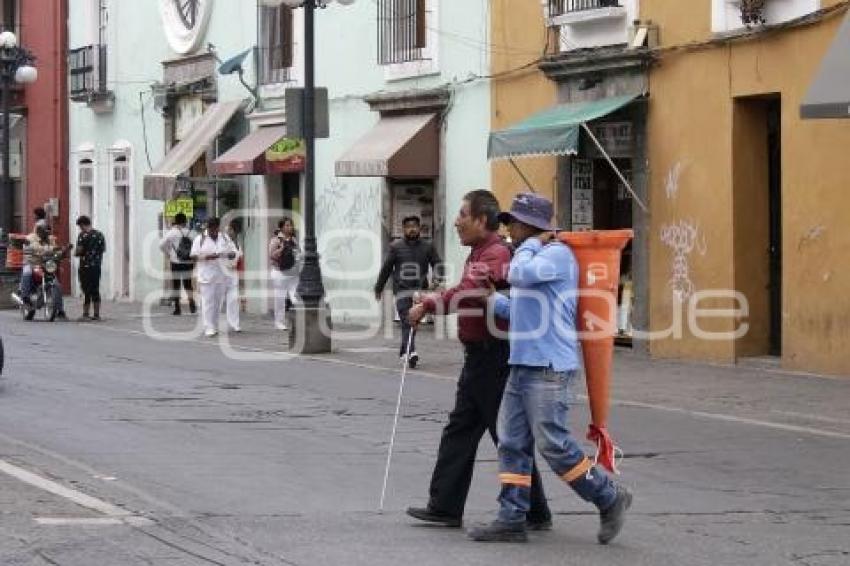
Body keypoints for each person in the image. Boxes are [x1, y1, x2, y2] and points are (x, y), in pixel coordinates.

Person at [467, 193, 632, 544]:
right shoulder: (538, 256)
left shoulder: (555, 255)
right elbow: (518, 310)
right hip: (523, 364)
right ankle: (511, 518)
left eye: (515, 222)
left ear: (534, 226)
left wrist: (530, 245)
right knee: (512, 444)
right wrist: (492, 301)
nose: (508, 229)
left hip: (548, 368)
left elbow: (518, 274)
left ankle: (609, 496)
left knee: (554, 445)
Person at [405, 190, 552, 529]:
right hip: (481, 358)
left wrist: (427, 303)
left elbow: (466, 293)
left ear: (481, 221)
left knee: (506, 436)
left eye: (462, 214)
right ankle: (445, 506)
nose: (456, 221)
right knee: (466, 431)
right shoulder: (483, 252)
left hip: (493, 357)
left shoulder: (496, 253)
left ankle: (535, 511)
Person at [374, 216, 442, 368]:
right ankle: (411, 352)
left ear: (419, 228)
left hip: (420, 291)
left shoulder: (428, 247)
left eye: (414, 226)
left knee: (413, 322)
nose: (412, 229)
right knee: (407, 320)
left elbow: (438, 264)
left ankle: (404, 352)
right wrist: (378, 288)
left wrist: (436, 280)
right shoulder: (396, 247)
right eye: (408, 226)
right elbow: (386, 269)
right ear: (403, 229)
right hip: (402, 290)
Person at [190, 217, 241, 337]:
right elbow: (193, 256)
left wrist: (230, 254)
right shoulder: (200, 239)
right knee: (208, 302)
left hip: (221, 275)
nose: (213, 231)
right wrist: (207, 257)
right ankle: (209, 327)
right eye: (211, 228)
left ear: (218, 227)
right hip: (206, 276)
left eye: (215, 228)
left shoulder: (224, 237)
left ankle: (214, 325)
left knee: (218, 303)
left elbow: (233, 251)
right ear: (208, 227)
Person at [17, 225, 69, 320]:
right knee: (27, 273)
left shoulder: (50, 239)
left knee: (56, 284)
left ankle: (60, 310)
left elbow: (56, 249)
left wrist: (63, 251)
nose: (48, 235)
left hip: (46, 264)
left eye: (48, 232)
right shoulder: (30, 238)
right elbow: (35, 248)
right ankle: (25, 298)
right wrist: (53, 250)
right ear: (39, 232)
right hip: (32, 263)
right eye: (45, 232)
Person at [159, 212, 197, 316]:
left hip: (176, 262)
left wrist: (168, 253)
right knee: (188, 284)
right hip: (189, 262)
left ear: (176, 222)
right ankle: (192, 304)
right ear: (185, 221)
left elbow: (161, 245)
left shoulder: (172, 232)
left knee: (176, 285)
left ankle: (177, 308)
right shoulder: (192, 233)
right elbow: (197, 247)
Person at [269, 218, 300, 331]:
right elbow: (272, 255)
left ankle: (298, 321)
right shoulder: (276, 240)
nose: (289, 227)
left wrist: (298, 256)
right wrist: (281, 249)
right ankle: (279, 322)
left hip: (293, 274)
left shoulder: (294, 240)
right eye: (287, 225)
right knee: (280, 299)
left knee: (296, 298)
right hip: (279, 273)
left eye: (290, 225)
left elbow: (298, 254)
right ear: (282, 227)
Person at [75, 215, 106, 321]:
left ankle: (86, 314)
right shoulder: (100, 235)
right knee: (95, 289)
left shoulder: (82, 235)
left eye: (80, 226)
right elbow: (102, 249)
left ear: (83, 225)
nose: (80, 228)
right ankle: (97, 314)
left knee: (86, 289)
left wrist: (77, 253)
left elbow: (79, 251)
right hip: (96, 266)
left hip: (85, 266)